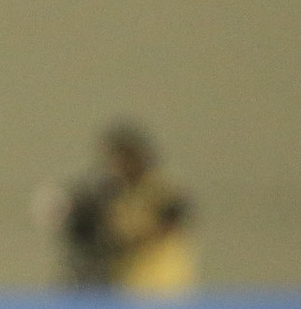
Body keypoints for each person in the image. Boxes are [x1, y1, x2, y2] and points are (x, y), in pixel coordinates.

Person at [50, 122, 196, 296]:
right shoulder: (116, 195)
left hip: (163, 282)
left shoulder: (162, 190)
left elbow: (169, 223)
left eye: (125, 159)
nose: (118, 166)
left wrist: (128, 238)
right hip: (126, 284)